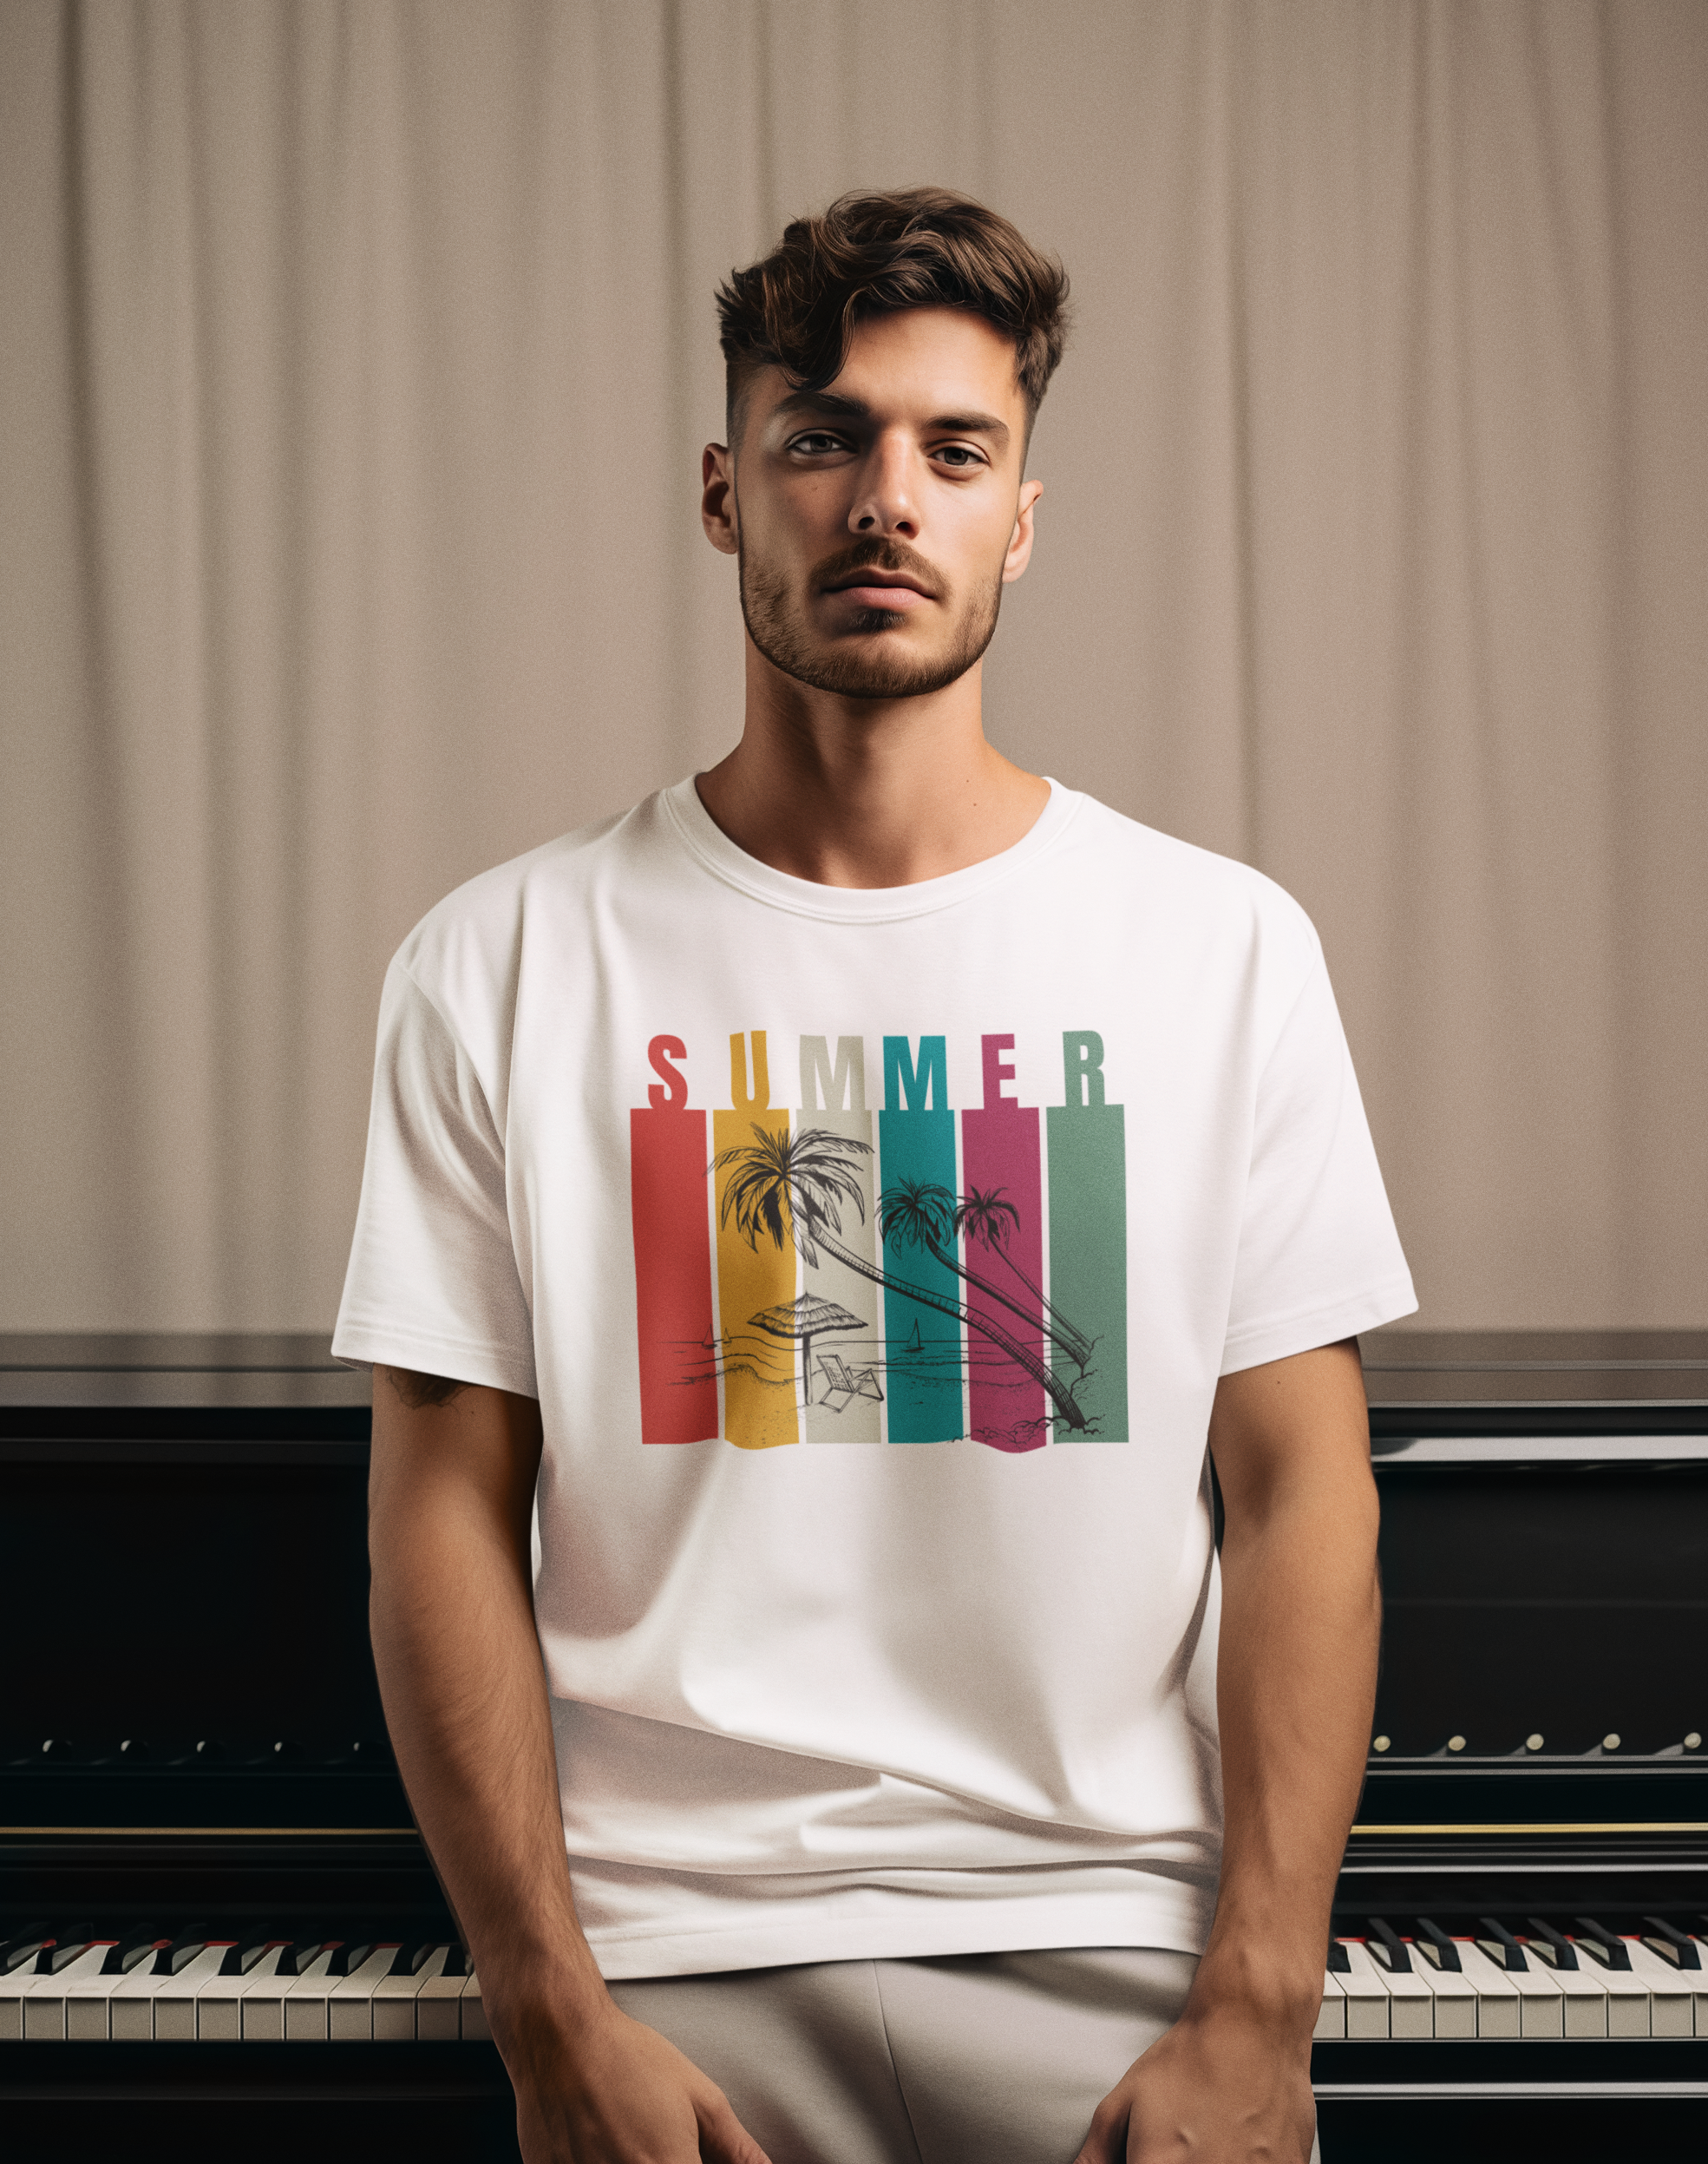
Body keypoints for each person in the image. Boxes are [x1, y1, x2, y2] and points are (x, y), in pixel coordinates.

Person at [335, 187, 1415, 2164]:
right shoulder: (495, 961)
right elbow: (436, 1512)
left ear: (1023, 513)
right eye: (821, 435)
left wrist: (1260, 2000)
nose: (884, 498)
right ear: (726, 492)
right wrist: (547, 2014)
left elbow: (1301, 1487)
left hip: (1116, 1953)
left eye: (954, 447)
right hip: (665, 1962)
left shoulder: (1220, 944)